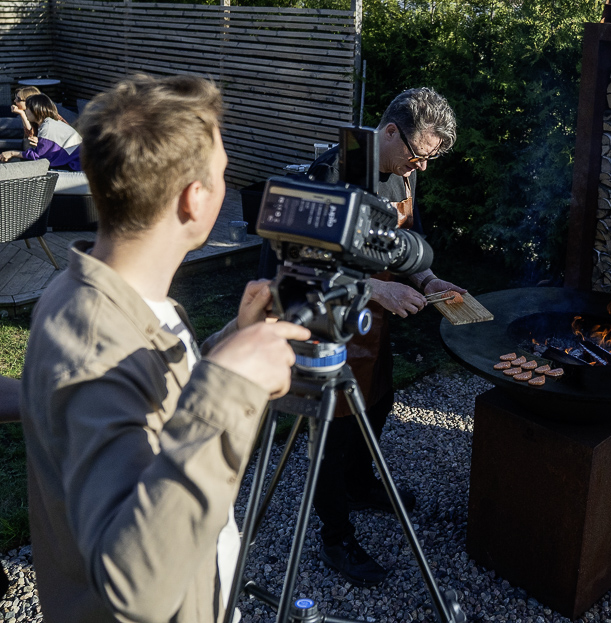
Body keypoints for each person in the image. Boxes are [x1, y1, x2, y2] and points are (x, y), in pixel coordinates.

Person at [19, 74, 311, 623]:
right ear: (194, 200)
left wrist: (228, 341)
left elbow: (150, 396)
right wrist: (229, 385)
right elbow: (136, 587)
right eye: (222, 174)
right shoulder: (92, 341)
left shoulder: (108, 291)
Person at [285, 87, 464, 588]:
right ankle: (334, 534)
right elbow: (301, 269)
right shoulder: (333, 173)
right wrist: (372, 287)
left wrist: (428, 281)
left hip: (373, 321)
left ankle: (361, 486)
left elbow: (407, 247)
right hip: (326, 322)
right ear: (389, 131)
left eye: (428, 158)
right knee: (333, 431)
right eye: (417, 154)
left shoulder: (402, 174)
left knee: (379, 403)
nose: (420, 167)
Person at [0, 93, 82, 170]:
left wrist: (12, 153)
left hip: (75, 166)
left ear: (36, 109)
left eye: (27, 109)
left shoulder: (47, 128)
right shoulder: (51, 123)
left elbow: (38, 157)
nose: (25, 111)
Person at [10, 86, 69, 151]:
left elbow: (30, 136)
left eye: (18, 99)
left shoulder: (49, 119)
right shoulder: (34, 115)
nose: (15, 101)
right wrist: (22, 114)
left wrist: (22, 114)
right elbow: (29, 137)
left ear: (29, 101)